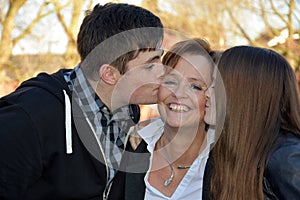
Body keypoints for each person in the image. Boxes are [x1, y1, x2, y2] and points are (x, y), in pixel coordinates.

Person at [0, 3, 164, 199]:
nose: (164, 72)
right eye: (150, 65)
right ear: (110, 74)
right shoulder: (28, 119)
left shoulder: (128, 114)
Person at [123, 38, 219, 200]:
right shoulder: (129, 143)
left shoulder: (225, 162)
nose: (178, 93)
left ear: (212, 97)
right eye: (171, 81)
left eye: (195, 86)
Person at [203, 46, 300, 199]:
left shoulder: (286, 159)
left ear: (244, 95)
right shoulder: (222, 152)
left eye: (216, 86)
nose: (206, 93)